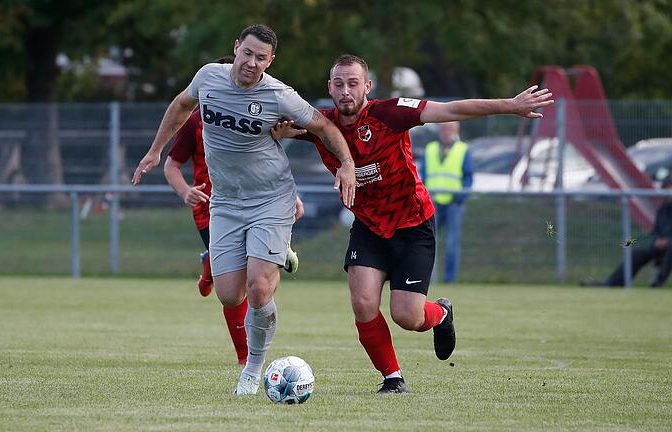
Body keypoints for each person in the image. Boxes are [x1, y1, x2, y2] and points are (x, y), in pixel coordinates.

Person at [295, 54, 553, 393]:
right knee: (362, 303)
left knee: (407, 317)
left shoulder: (390, 113)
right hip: (369, 227)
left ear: (367, 87)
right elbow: (269, 121)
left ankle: (441, 315)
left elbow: (451, 110)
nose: (345, 91)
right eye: (339, 84)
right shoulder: (319, 126)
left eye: (353, 83)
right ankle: (392, 379)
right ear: (329, 87)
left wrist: (511, 104)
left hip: (412, 224)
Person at [132, 24, 356, 396]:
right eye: (247, 53)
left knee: (257, 289)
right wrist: (156, 151)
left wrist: (346, 161)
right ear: (236, 48)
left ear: (270, 61)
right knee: (228, 295)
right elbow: (180, 105)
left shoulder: (279, 95)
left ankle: (252, 370)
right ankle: (275, 251)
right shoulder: (208, 76)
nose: (252, 63)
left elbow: (323, 126)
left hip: (271, 199)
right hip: (226, 202)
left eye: (261, 58)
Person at [164, 91, 304, 365]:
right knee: (231, 290)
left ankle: (247, 359)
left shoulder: (255, 116)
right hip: (213, 210)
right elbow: (172, 166)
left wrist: (291, 197)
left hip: (258, 205)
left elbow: (270, 164)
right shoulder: (197, 121)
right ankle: (243, 354)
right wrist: (185, 192)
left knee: (254, 282)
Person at [581, 178, 672, 288]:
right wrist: (657, 240)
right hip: (663, 245)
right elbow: (656, 231)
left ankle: (658, 283)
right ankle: (613, 282)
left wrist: (668, 241)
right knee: (638, 250)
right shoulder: (663, 209)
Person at [421, 121, 473, 283]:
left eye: (450, 129)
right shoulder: (430, 149)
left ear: (456, 131)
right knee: (427, 242)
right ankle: (425, 278)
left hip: (453, 203)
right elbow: (423, 175)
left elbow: (468, 176)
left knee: (452, 244)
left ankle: (450, 280)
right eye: (444, 128)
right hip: (433, 203)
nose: (446, 132)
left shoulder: (463, 149)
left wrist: (460, 198)